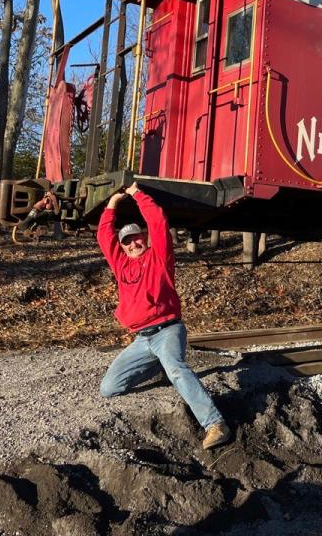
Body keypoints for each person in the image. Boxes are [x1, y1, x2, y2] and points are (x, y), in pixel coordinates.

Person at [96, 182, 230, 450]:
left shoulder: (159, 257)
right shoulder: (121, 264)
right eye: (127, 241)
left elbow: (157, 219)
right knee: (109, 388)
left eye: (136, 237)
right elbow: (104, 236)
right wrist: (111, 205)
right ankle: (159, 362)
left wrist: (134, 193)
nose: (132, 243)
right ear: (121, 247)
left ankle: (216, 424)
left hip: (167, 330)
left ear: (144, 237)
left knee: (177, 371)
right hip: (141, 340)